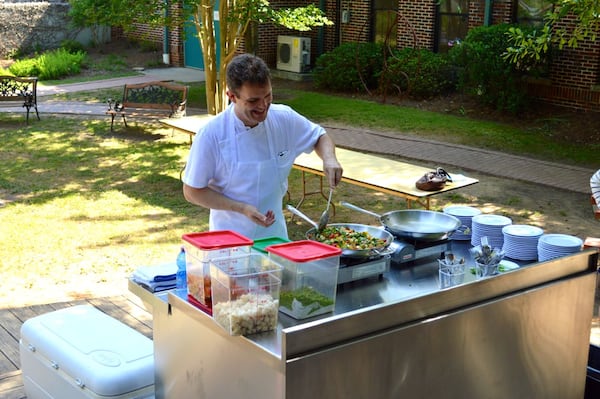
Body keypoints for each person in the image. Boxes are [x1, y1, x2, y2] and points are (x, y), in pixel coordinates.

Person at [182, 54, 343, 239]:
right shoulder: (212, 135)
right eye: (253, 101)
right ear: (232, 96)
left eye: (268, 96)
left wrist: (329, 159)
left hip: (275, 237)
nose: (263, 105)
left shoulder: (284, 118)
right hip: (229, 240)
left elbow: (319, 136)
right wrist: (242, 208)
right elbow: (192, 191)